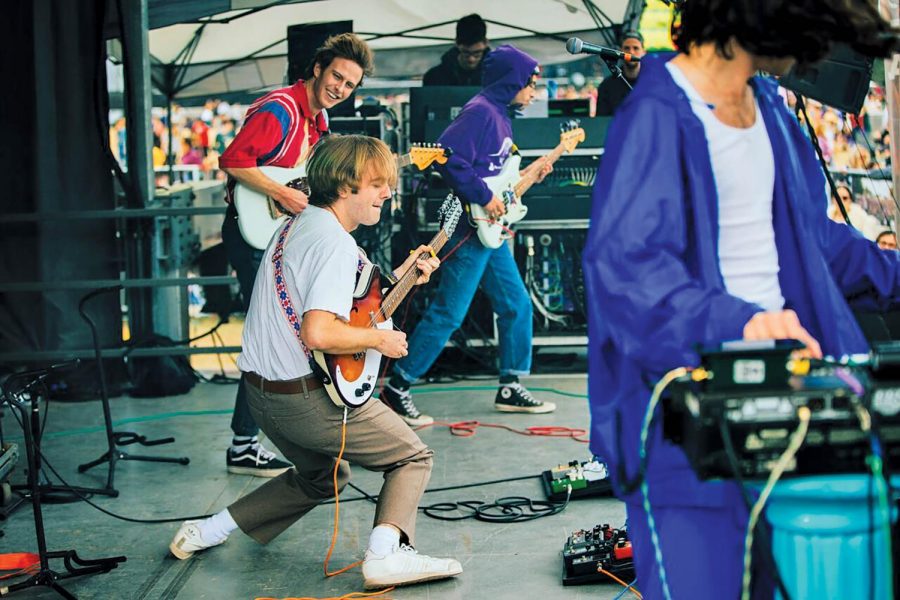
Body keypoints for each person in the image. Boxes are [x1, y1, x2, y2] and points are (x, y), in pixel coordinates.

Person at [582, 2, 899, 598]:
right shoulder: (655, 113)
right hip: (686, 419)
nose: (810, 55)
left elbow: (816, 241)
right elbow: (626, 271)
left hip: (783, 391)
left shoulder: (772, 108)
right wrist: (746, 323)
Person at [169, 135, 462, 590]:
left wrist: (406, 274)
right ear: (345, 187)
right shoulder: (334, 247)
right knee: (412, 456)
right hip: (304, 402)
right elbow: (320, 333)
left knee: (324, 476)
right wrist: (379, 343)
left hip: (261, 397)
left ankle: (207, 530)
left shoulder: (300, 223)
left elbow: (360, 300)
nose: (388, 192)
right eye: (378, 184)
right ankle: (385, 556)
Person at [216, 33, 374, 477]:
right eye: (337, 77)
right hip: (252, 232)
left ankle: (260, 438)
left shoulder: (318, 122)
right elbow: (232, 161)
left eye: (349, 84)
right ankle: (245, 444)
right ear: (319, 68)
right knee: (277, 333)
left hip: (276, 235)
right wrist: (279, 192)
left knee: (289, 330)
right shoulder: (281, 109)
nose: (340, 88)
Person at [381, 45, 555, 426]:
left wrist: (525, 180)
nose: (533, 92)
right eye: (530, 83)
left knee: (516, 305)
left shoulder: (501, 116)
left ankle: (510, 384)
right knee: (449, 313)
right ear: (511, 81)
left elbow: (495, 176)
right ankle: (397, 388)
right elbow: (448, 156)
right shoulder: (481, 112)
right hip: (466, 229)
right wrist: (484, 196)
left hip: (488, 232)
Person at [423, 13, 490, 87]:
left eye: (477, 53)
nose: (471, 59)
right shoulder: (434, 77)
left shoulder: (498, 76)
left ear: (486, 43)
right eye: (466, 52)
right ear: (456, 43)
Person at [595, 30, 646, 116]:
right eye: (627, 48)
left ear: (644, 52)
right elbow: (601, 121)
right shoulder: (607, 86)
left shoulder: (653, 83)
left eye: (636, 48)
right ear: (620, 51)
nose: (631, 52)